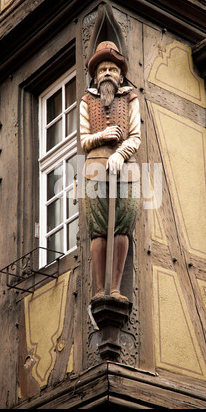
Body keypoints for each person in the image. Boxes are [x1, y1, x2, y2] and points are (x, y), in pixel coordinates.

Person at [80, 41, 141, 301]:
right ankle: (98, 290)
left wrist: (120, 153)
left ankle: (115, 288)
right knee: (99, 227)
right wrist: (103, 135)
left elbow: (136, 137)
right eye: (102, 69)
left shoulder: (130, 99)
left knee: (122, 227)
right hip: (94, 168)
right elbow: (83, 140)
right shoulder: (86, 100)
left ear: (121, 75)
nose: (107, 73)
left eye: (112, 69)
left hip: (125, 170)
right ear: (95, 77)